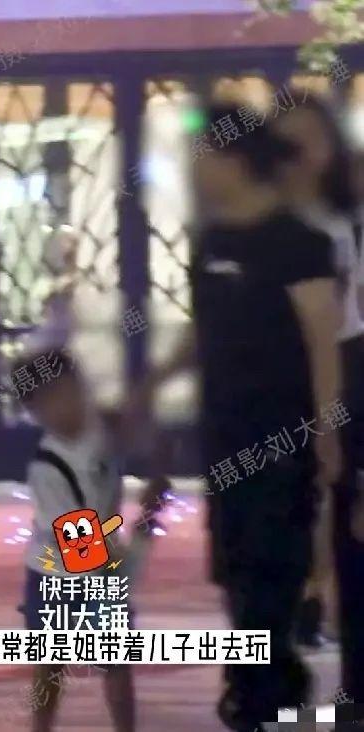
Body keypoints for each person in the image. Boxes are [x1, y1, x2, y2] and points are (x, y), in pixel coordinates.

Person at [129, 103, 342, 731]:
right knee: (234, 567)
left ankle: (260, 696)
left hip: (282, 438)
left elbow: (321, 341)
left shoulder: (298, 242)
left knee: (273, 568)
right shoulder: (212, 242)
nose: (194, 171)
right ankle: (268, 685)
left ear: (234, 160)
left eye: (201, 158)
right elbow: (203, 329)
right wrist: (155, 383)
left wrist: (328, 430)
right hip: (225, 437)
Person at [275, 94, 364, 711]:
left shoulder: (344, 227)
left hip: (346, 397)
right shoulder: (261, 227)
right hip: (278, 408)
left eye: (313, 138)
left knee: (349, 543)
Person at [14, 347, 141, 732]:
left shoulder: (100, 427)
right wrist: (139, 539)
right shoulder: (48, 469)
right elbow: (84, 553)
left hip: (101, 562)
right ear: (34, 410)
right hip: (56, 575)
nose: (69, 404)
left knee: (116, 663)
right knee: (50, 664)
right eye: (54, 398)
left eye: (73, 390)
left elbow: (137, 428)